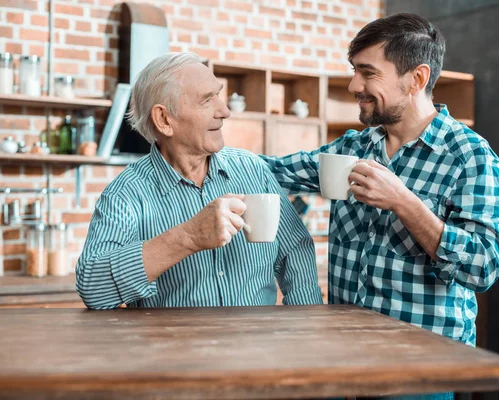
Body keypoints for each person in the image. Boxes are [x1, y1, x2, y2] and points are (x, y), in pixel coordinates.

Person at [261, 13, 499, 400]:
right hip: (346, 361)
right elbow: (272, 171)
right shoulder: (353, 148)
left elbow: (484, 267)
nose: (353, 84)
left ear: (417, 78)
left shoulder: (470, 157)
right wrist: (204, 148)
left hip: (421, 372)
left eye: (367, 72)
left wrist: (404, 202)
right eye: (353, 70)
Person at [76, 52, 322, 309]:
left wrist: (304, 322)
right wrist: (189, 236)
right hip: (171, 347)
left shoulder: (253, 171)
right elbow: (93, 288)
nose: (224, 111)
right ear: (164, 119)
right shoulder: (126, 194)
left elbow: (295, 249)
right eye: (207, 100)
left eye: (218, 95)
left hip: (256, 345)